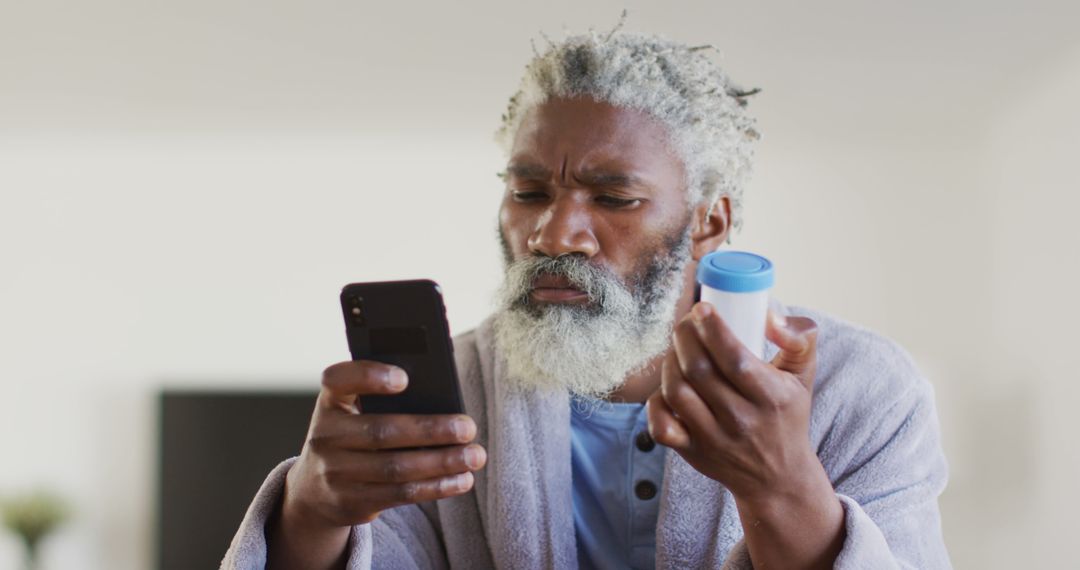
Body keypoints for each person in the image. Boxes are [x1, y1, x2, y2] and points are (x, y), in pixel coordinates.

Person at [222, 29, 950, 570]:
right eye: (528, 192)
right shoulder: (449, 395)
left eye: (614, 197)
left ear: (710, 221)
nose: (552, 232)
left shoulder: (864, 393)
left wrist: (785, 490)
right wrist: (311, 515)